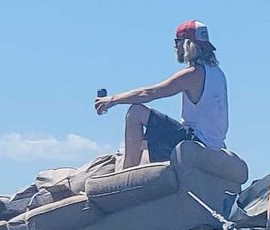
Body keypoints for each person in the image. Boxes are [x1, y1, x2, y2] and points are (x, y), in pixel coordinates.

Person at [95, 20, 228, 170]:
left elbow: (149, 93)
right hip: (213, 145)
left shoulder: (193, 74)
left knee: (136, 113)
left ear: (187, 44)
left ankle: (125, 177)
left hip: (195, 143)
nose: (174, 46)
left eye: (177, 41)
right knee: (143, 144)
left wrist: (112, 100)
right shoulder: (218, 74)